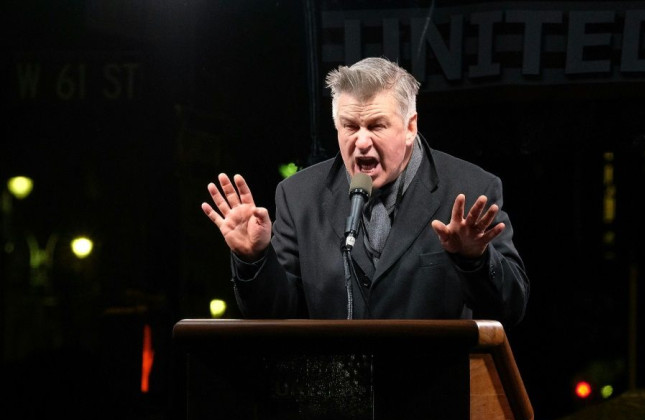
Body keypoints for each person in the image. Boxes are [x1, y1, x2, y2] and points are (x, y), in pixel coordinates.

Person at [202, 57, 528, 327]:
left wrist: (474, 260)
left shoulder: (470, 189)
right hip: (337, 397)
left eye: (375, 126)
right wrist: (254, 259)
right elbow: (275, 313)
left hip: (433, 395)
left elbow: (510, 309)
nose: (360, 142)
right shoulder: (298, 196)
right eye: (350, 126)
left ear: (410, 127)